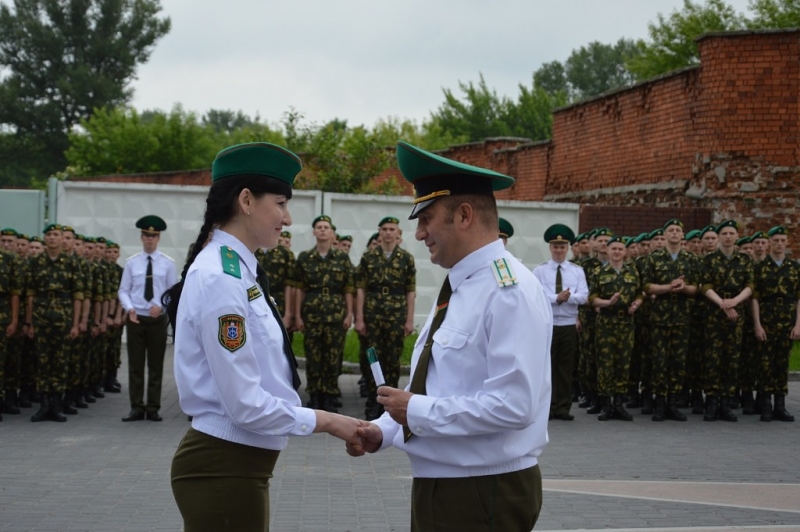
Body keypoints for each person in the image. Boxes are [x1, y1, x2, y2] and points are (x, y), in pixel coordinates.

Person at [349, 141, 552, 531]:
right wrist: (385, 430)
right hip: (446, 484)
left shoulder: (509, 291)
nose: (420, 233)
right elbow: (437, 384)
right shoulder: (462, 285)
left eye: (426, 218)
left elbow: (515, 405)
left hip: (482, 491)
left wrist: (415, 411)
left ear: (463, 215)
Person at [162, 142, 361, 532]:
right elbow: (245, 404)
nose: (288, 218)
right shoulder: (222, 277)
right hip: (223, 467)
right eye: (282, 203)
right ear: (247, 200)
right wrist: (329, 422)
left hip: (235, 467)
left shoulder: (239, 270)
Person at [354, 216, 416, 421]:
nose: (389, 233)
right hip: (373, 314)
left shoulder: (406, 258)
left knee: (392, 360)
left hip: (396, 315)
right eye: (385, 229)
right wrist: (360, 318)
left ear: (398, 234)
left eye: (392, 229)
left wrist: (409, 320)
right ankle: (374, 401)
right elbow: (361, 289)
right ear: (379, 232)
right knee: (374, 360)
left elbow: (410, 291)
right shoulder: (368, 257)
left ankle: (391, 404)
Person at [117, 215, 176, 422]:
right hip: (136, 319)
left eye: (153, 236)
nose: (150, 239)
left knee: (155, 364)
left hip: (156, 319)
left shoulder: (168, 264)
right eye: (146, 235)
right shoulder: (132, 263)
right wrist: (130, 308)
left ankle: (153, 407)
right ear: (141, 237)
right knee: (135, 365)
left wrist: (161, 307)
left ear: (158, 238)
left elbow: (171, 292)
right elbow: (123, 290)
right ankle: (136, 407)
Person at [293, 214, 354, 412]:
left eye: (326, 227)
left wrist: (349, 314)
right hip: (311, 314)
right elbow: (299, 289)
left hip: (335, 314)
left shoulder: (342, 258)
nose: (322, 230)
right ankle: (315, 395)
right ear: (314, 232)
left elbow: (348, 289)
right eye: (318, 226)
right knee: (313, 357)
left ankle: (329, 394)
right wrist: (297, 315)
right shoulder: (304, 258)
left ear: (332, 232)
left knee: (333, 357)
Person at [641, 219, 700, 421]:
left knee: (678, 362)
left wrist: (683, 288)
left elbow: (696, 289)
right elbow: (647, 287)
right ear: (665, 235)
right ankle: (660, 404)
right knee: (659, 361)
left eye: (678, 230)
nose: (674, 233)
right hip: (660, 318)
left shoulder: (691, 259)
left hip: (682, 318)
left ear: (682, 235)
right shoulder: (654, 258)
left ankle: (673, 403)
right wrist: (668, 287)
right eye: (671, 230)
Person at [25, 224, 84, 422]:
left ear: (61, 239)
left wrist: (76, 324)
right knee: (42, 363)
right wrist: (30, 323)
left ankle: (57, 405)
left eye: (56, 235)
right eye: (49, 235)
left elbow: (78, 296)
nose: (52, 238)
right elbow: (30, 294)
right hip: (41, 319)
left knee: (60, 363)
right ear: (45, 238)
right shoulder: (36, 262)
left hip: (63, 319)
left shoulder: (71, 263)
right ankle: (44, 405)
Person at [700, 220, 754, 422]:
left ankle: (726, 402)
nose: (728, 237)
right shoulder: (710, 259)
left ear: (736, 237)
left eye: (732, 233)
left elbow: (750, 285)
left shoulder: (744, 260)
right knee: (713, 359)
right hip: (715, 314)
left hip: (736, 314)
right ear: (719, 237)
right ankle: (712, 402)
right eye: (725, 233)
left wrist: (735, 302)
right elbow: (705, 286)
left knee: (731, 359)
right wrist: (723, 303)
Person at [533, 224, 587, 421]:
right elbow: (536, 295)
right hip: (548, 324)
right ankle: (545, 408)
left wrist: (567, 298)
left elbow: (584, 296)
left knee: (565, 368)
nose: (559, 250)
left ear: (568, 248)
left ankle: (563, 407)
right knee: (547, 368)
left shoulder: (576, 271)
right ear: (550, 248)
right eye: (555, 246)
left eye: (562, 247)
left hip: (568, 325)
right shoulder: (540, 271)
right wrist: (556, 298)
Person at [589, 235, 642, 421]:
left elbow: (639, 294)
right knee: (605, 364)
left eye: (620, 249)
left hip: (626, 324)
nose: (617, 252)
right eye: (614, 249)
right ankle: (606, 405)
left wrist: (636, 304)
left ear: (625, 251)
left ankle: (619, 404)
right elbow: (591, 297)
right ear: (608, 251)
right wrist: (606, 302)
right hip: (606, 322)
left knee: (623, 363)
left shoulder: (633, 272)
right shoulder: (599, 272)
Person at [751, 225, 798, 422]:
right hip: (768, 320)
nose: (779, 244)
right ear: (770, 243)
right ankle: (766, 405)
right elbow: (755, 299)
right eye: (775, 240)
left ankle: (780, 405)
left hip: (787, 321)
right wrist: (758, 324)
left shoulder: (794, 268)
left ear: (787, 243)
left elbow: (798, 298)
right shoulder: (760, 268)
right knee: (765, 364)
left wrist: (798, 324)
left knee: (782, 363)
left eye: (782, 240)